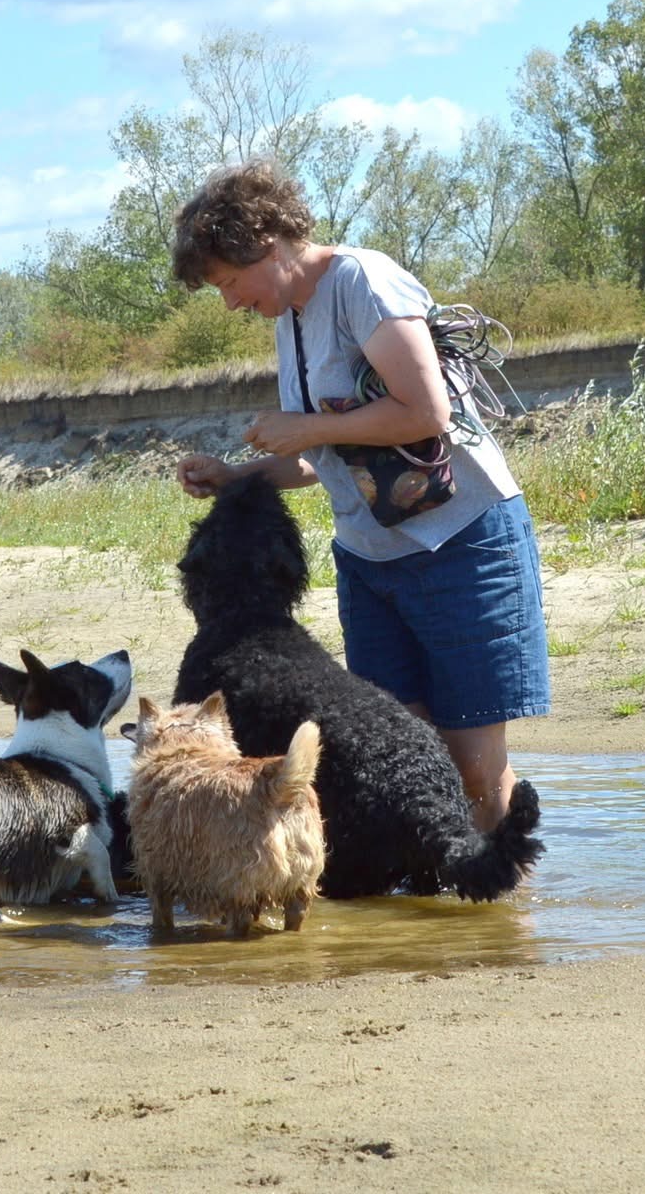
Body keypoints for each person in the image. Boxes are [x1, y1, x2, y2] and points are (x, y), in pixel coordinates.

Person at [169, 160, 548, 833]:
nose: (228, 302)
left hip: (460, 545)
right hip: (370, 565)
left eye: (229, 282)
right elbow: (325, 463)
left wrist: (305, 428)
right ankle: (440, 931)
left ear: (268, 241)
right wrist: (237, 477)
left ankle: (505, 931)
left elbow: (426, 412)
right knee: (405, 769)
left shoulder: (363, 281)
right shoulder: (290, 315)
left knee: (472, 772)